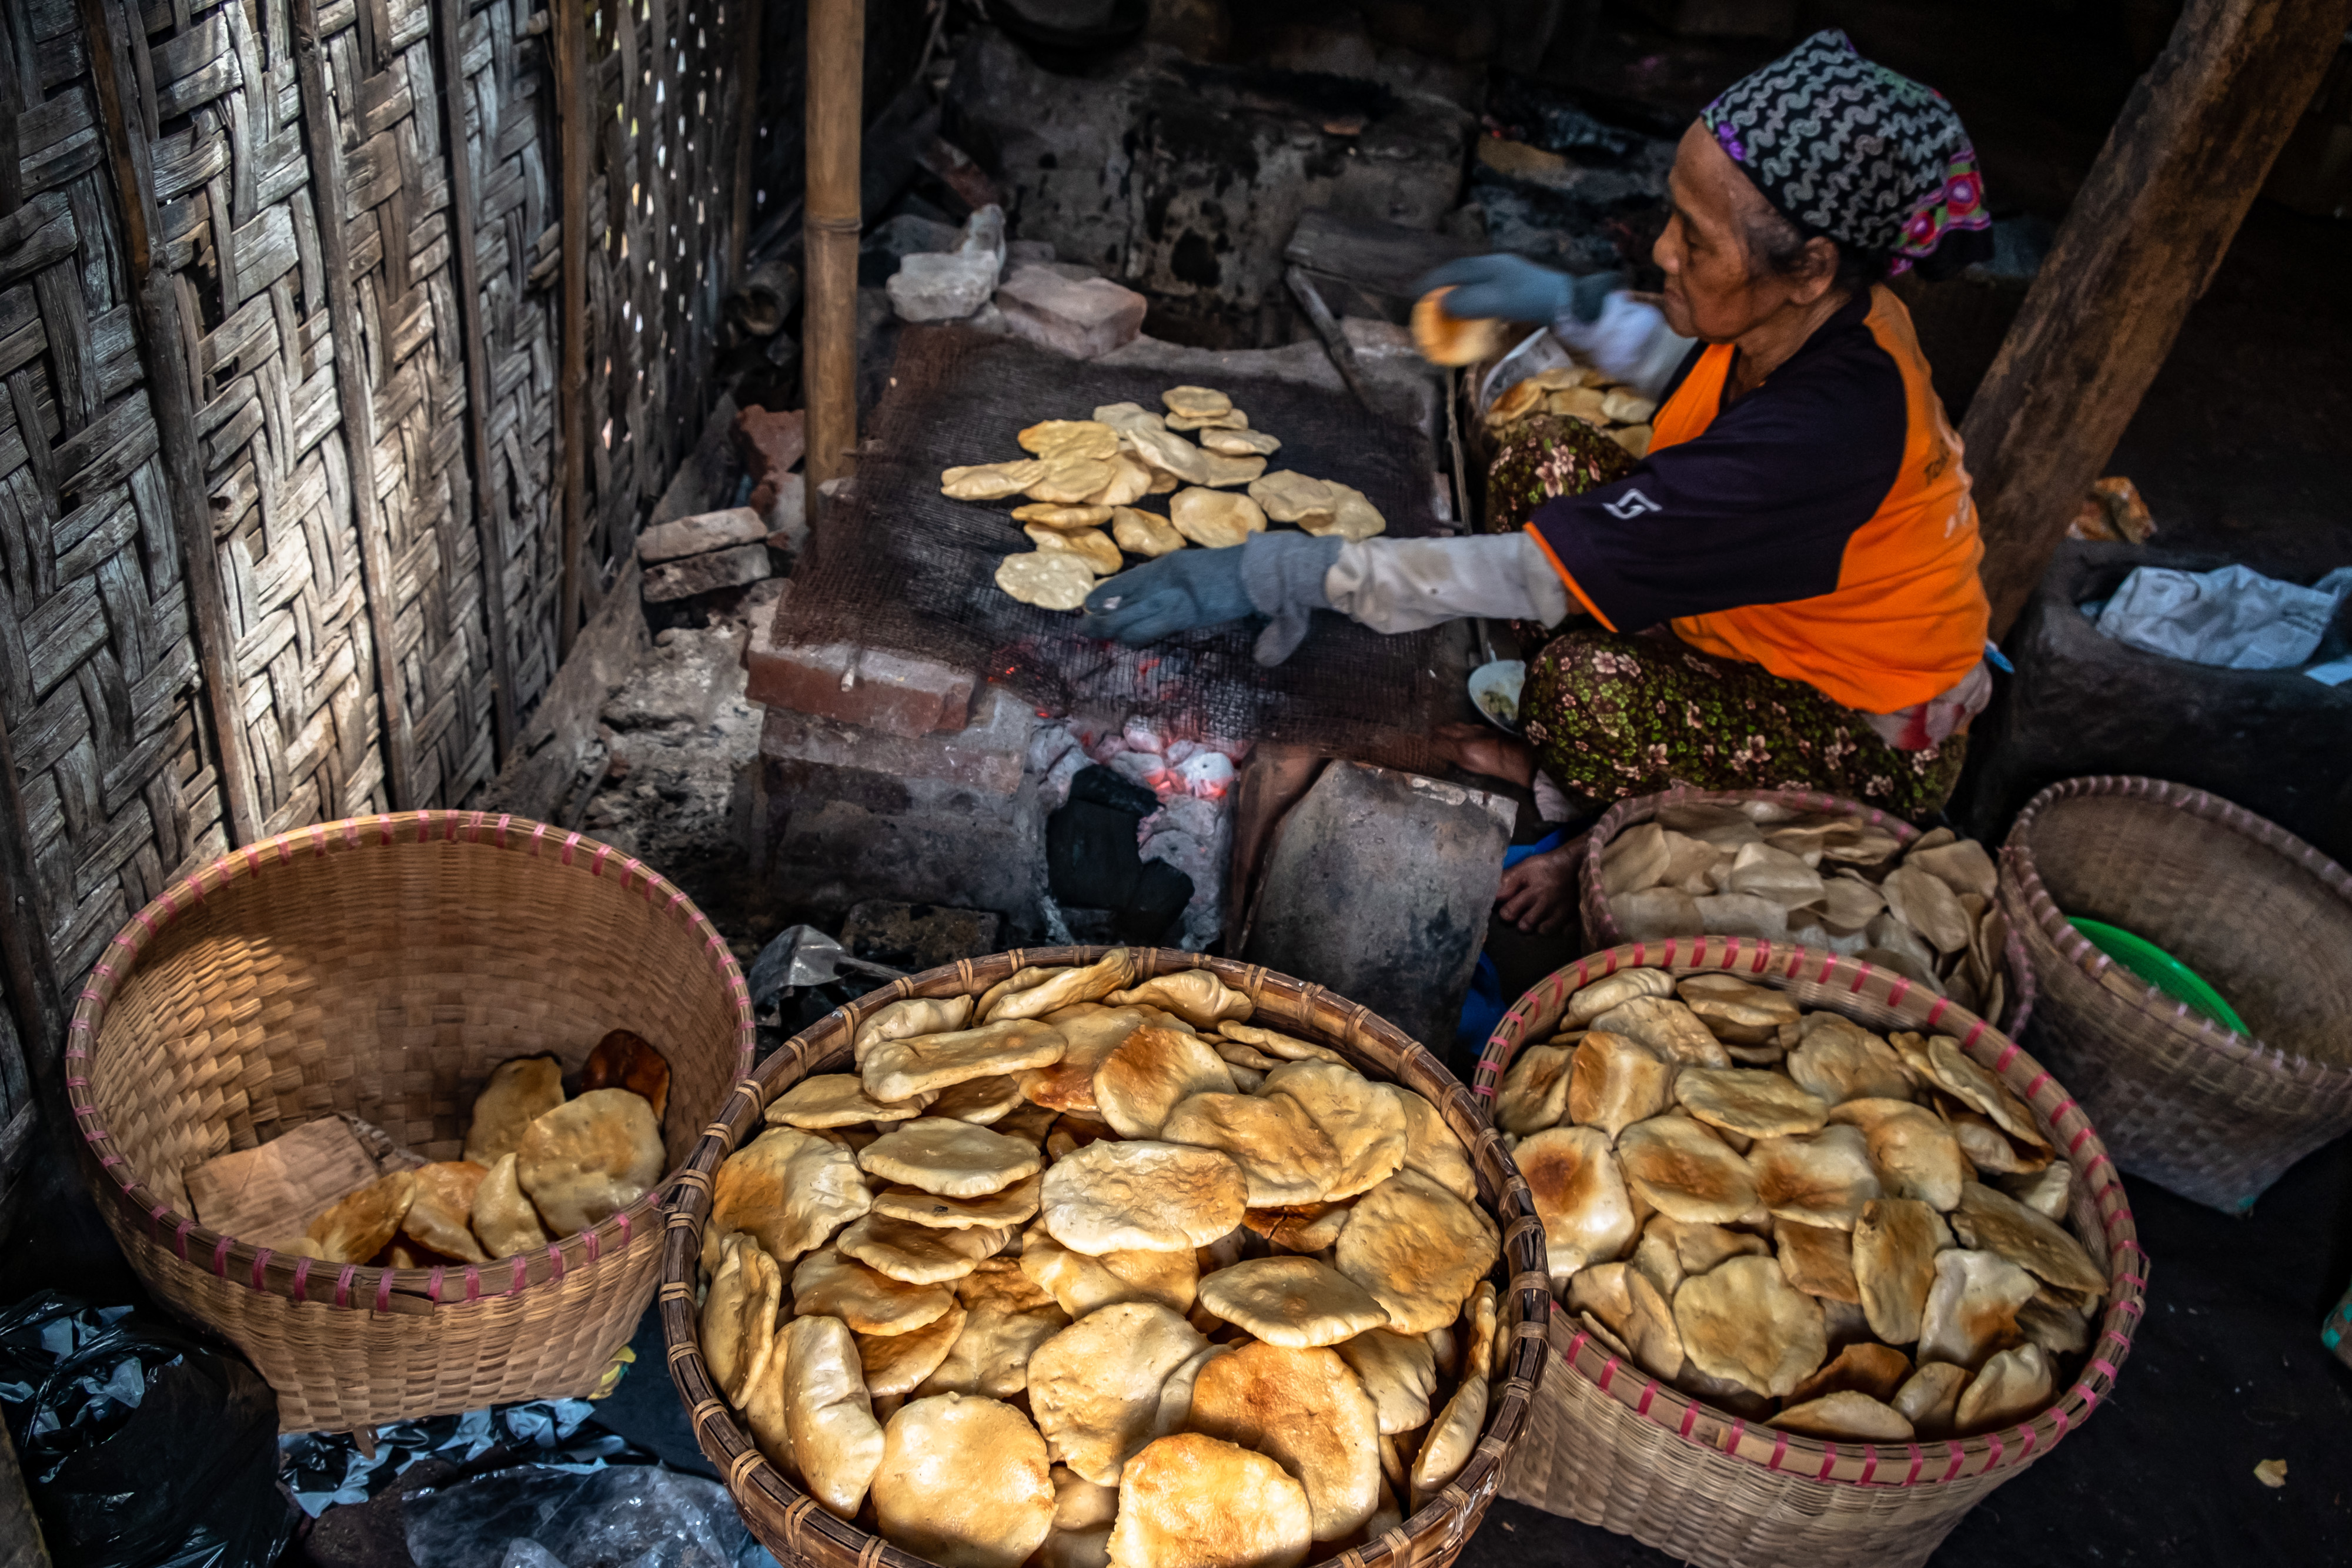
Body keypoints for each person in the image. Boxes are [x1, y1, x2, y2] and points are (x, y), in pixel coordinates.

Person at [1083, 30, 1998, 934]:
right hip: (1752, 626)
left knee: (1581, 691)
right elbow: (1688, 361)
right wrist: (1563, 303)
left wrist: (1293, 572)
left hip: (1855, 733)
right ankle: (1586, 715)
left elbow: (1542, 572)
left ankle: (1571, 793)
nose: (1665, 252)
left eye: (1697, 238)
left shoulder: (1827, 433)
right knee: (1545, 454)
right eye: (1673, 216)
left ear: (1812, 266)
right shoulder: (1824, 320)